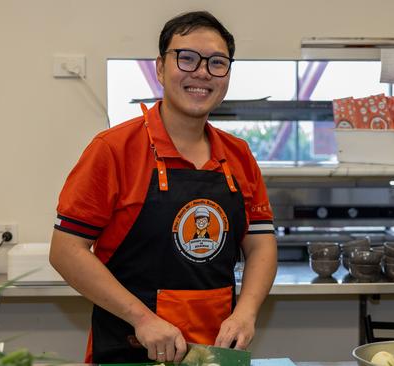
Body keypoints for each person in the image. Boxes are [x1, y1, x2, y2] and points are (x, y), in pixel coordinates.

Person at [49, 10, 277, 364]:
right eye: (186, 58)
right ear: (159, 68)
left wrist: (245, 312)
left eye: (217, 62)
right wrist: (143, 318)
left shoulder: (239, 155)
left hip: (215, 354)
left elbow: (261, 244)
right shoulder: (113, 149)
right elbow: (66, 250)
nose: (202, 72)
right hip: (130, 349)